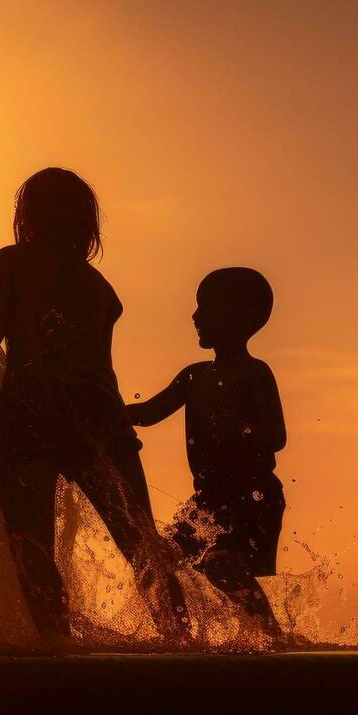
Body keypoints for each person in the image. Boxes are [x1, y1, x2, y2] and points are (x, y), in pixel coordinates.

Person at [0, 167, 188, 645]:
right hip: (98, 416)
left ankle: (55, 642)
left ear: (24, 215)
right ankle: (182, 640)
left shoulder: (12, 261)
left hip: (32, 411)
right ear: (86, 222)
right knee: (140, 541)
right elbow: (99, 368)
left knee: (31, 542)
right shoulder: (100, 287)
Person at [128, 267, 286, 637]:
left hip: (252, 494)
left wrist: (243, 430)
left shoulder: (254, 374)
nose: (195, 317)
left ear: (242, 317)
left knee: (223, 564)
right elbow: (148, 413)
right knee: (159, 563)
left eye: (206, 308)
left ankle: (271, 636)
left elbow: (276, 436)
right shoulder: (193, 376)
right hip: (207, 501)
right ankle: (179, 636)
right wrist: (102, 410)